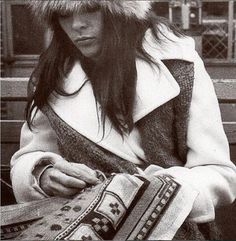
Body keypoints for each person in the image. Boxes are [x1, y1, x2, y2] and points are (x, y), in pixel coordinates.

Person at [10, 0, 236, 240]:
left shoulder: (179, 64)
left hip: (169, 227)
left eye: (90, 8)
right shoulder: (54, 72)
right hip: (76, 225)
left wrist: (155, 193)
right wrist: (43, 175)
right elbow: (30, 156)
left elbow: (219, 172)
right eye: (65, 14)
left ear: (121, 10)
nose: (77, 24)